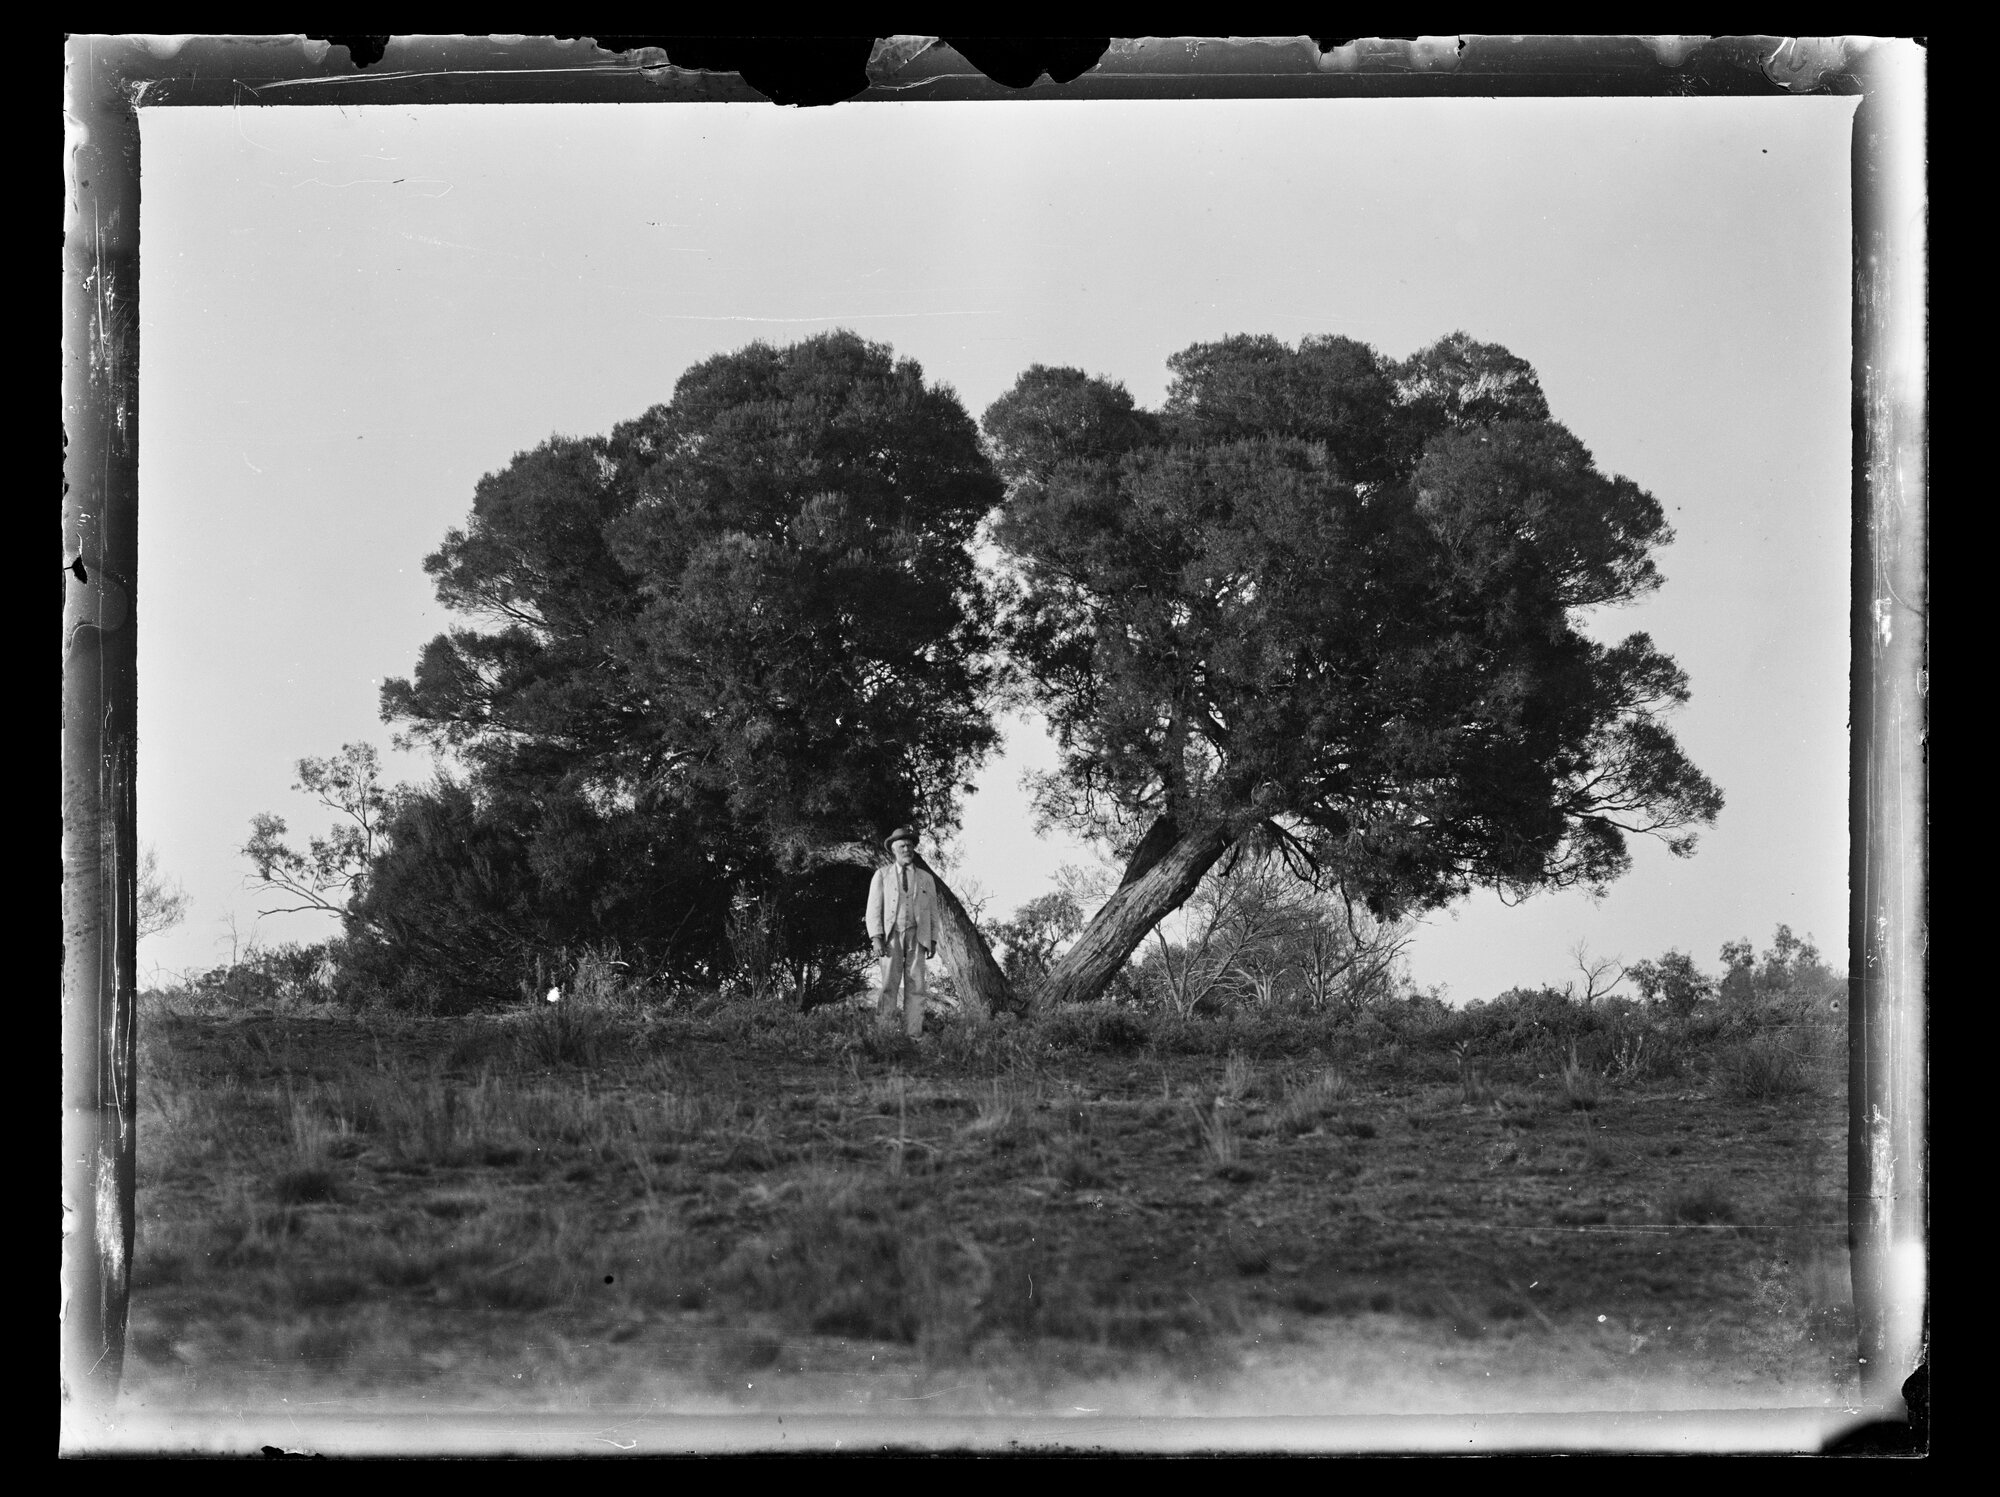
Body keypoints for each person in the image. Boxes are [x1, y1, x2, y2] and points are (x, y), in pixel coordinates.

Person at [865, 825, 937, 1039]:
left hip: (918, 935)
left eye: (909, 846)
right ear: (894, 850)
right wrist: (876, 937)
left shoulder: (926, 878)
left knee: (917, 986)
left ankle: (913, 1034)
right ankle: (885, 1033)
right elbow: (873, 908)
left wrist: (933, 939)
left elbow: (933, 911)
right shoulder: (882, 875)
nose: (907, 849)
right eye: (902, 846)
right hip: (891, 935)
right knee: (889, 984)